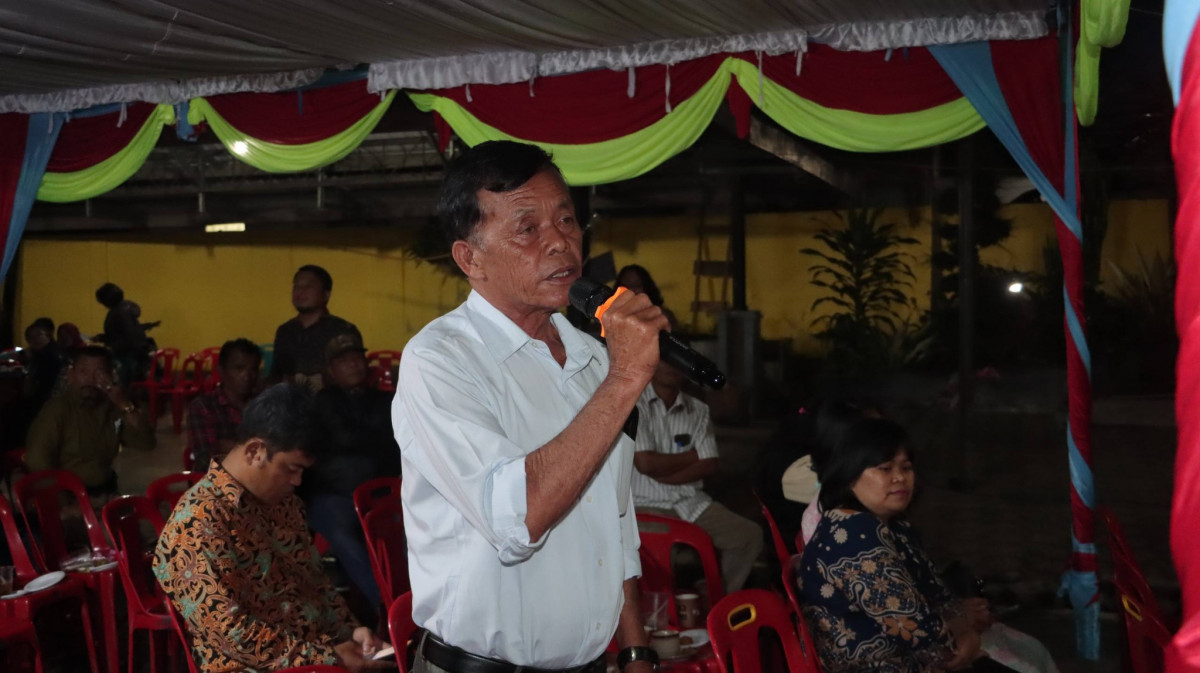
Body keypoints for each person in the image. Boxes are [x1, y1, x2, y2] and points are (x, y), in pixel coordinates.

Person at [393, 140, 665, 673]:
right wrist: (627, 377)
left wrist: (635, 650)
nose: (560, 242)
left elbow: (614, 518)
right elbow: (518, 519)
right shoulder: (439, 361)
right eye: (527, 228)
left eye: (566, 219)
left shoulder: (593, 357)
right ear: (470, 258)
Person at [154, 384, 389, 673]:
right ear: (255, 452)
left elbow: (314, 583)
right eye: (292, 468)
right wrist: (330, 658)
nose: (297, 481)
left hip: (317, 658)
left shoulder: (283, 504)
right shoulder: (196, 524)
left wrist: (350, 632)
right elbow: (234, 635)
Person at [798, 418, 1042, 673]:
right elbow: (913, 629)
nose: (900, 478)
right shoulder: (852, 535)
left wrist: (962, 628)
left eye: (906, 468)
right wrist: (965, 641)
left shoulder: (893, 526)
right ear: (850, 474)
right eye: (885, 468)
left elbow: (936, 593)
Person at [630, 310, 763, 592]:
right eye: (665, 357)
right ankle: (662, 611)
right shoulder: (634, 404)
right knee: (662, 551)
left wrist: (664, 470)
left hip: (693, 503)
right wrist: (692, 457)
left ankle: (714, 600)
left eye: (680, 359)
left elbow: (710, 464)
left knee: (748, 536)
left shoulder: (699, 409)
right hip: (645, 505)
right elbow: (645, 464)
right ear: (650, 359)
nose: (672, 365)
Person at [302, 331, 401, 615]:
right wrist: (375, 437)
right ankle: (387, 606)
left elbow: (395, 442)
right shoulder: (323, 401)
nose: (354, 364)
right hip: (336, 493)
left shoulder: (385, 400)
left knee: (405, 532)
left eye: (358, 358)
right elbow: (348, 438)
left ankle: (407, 601)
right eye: (344, 361)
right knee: (342, 532)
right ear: (331, 370)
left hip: (381, 494)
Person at [25, 345, 155, 503]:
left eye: (99, 373)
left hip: (104, 489)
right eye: (84, 372)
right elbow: (37, 461)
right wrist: (63, 500)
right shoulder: (57, 409)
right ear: (71, 375)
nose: (90, 379)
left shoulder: (112, 407)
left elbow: (146, 443)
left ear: (111, 375)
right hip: (68, 495)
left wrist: (124, 404)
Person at [271, 265, 360, 391]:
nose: (300, 291)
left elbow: (354, 376)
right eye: (296, 286)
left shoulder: (342, 330)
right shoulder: (285, 331)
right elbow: (276, 374)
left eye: (308, 286)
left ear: (326, 294)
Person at [186, 338, 262, 470]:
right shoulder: (203, 407)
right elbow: (206, 460)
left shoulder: (263, 404)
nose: (247, 375)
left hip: (259, 476)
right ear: (221, 371)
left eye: (253, 369)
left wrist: (225, 446)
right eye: (239, 368)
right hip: (217, 479)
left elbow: (280, 448)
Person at [95, 283, 158, 383]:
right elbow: (126, 332)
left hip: (127, 354)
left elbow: (127, 336)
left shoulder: (118, 313)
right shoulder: (126, 310)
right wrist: (104, 338)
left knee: (121, 382)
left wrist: (111, 345)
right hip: (137, 352)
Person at [23, 320, 66, 418]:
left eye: (39, 335)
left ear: (48, 336)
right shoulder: (39, 355)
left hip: (50, 404)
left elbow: (45, 386)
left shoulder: (53, 356)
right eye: (31, 337)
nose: (35, 339)